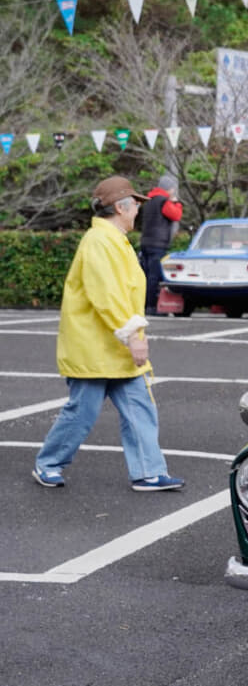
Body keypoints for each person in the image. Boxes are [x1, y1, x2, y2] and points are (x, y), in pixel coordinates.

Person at [32, 176, 185, 492]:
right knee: (83, 413)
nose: (137, 212)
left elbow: (116, 296)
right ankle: (48, 463)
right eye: (135, 205)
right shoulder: (100, 241)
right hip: (97, 347)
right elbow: (107, 295)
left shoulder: (109, 238)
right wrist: (133, 335)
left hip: (111, 347)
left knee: (139, 408)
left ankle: (148, 472)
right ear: (120, 206)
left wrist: (132, 337)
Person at [138, 174, 184, 316]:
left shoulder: (149, 200)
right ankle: (151, 307)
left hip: (145, 242)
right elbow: (176, 215)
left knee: (145, 276)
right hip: (158, 244)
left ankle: (143, 305)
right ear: (169, 189)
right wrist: (176, 203)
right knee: (154, 276)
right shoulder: (163, 201)